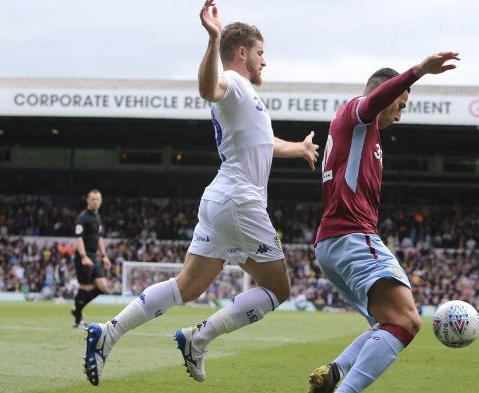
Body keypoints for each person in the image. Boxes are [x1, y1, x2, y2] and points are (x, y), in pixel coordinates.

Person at [82, 0, 319, 386]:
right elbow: (209, 87)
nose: (265, 62)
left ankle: (108, 332)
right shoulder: (235, 83)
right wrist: (212, 40)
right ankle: (199, 337)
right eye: (261, 53)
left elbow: (261, 142)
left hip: (219, 199)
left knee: (187, 286)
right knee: (278, 289)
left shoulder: (249, 99)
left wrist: (298, 148)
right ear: (242, 53)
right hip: (240, 200)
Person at [308, 52, 460, 393]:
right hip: (351, 236)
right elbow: (375, 99)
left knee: (388, 324)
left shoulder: (360, 133)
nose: (400, 114)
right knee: (407, 321)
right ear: (387, 94)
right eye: (401, 104)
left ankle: (335, 372)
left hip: (334, 242)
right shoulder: (358, 114)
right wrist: (418, 71)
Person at [71, 189, 113, 328]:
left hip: (94, 257)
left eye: (98, 199)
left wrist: (104, 256)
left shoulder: (97, 217)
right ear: (88, 200)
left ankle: (77, 309)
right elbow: (79, 238)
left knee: (102, 286)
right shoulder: (82, 218)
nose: (95, 202)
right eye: (93, 199)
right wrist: (83, 256)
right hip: (84, 256)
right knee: (85, 287)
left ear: (100, 201)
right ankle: (78, 320)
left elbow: (99, 238)